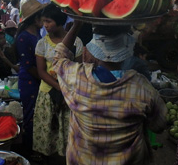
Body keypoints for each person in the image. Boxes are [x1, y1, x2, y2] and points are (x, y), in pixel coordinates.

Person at [52, 21, 167, 165]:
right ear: (125, 51)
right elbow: (159, 125)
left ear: (94, 51)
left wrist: (76, 25)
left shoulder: (77, 77)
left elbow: (58, 58)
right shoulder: (141, 86)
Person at [33, 4, 83, 161]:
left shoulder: (76, 42)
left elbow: (79, 70)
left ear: (60, 20)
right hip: (48, 94)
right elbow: (41, 72)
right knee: (48, 133)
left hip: (71, 96)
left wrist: (66, 91)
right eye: (43, 21)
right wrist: (60, 88)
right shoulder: (42, 43)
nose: (45, 25)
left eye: (48, 21)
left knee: (68, 136)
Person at [15, 0, 45, 156]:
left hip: (38, 79)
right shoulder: (24, 37)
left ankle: (36, 148)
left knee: (37, 115)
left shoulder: (36, 33)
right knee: (30, 118)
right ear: (35, 18)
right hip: (30, 81)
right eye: (42, 16)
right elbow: (28, 65)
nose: (45, 19)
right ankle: (29, 152)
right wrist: (45, 78)